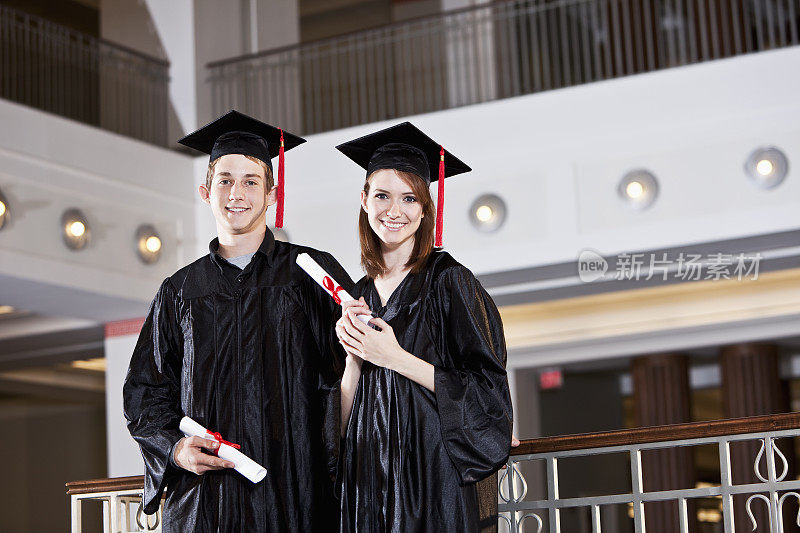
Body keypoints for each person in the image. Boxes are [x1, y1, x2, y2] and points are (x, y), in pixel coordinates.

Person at [123, 110, 352, 532]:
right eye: (225, 180)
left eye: (251, 181)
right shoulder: (181, 290)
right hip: (206, 501)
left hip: (295, 493)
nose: (237, 193)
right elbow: (145, 391)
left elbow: (359, 371)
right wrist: (175, 451)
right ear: (206, 192)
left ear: (272, 195)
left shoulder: (312, 274)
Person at [334, 122, 513, 532]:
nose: (394, 211)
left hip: (433, 479)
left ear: (425, 207)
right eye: (381, 195)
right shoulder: (356, 296)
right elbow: (339, 426)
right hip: (365, 480)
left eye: (409, 198)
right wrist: (353, 360)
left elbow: (488, 394)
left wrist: (396, 358)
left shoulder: (450, 282)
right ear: (364, 200)